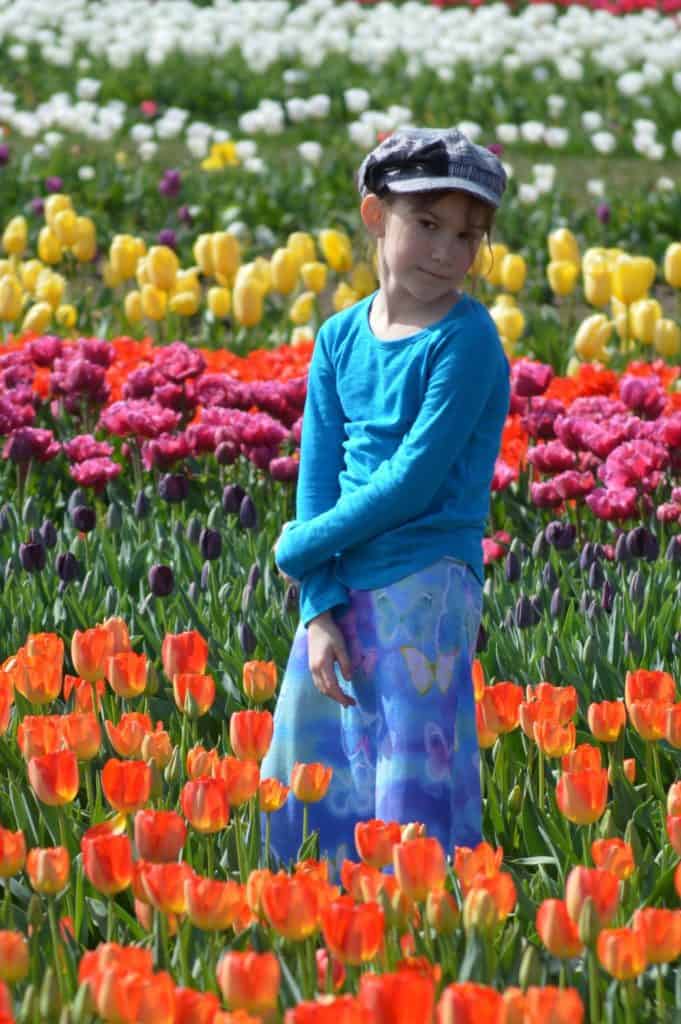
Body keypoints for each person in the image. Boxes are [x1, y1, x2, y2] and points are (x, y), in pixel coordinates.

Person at [262, 127, 511, 872]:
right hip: (340, 580)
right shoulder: (340, 338)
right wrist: (317, 603)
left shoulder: (464, 343)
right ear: (376, 217)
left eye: (465, 235)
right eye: (425, 225)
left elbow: (413, 480)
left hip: (425, 580)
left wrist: (296, 549)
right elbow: (318, 473)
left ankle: (412, 928)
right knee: (319, 752)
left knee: (409, 759)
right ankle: (320, 919)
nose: (445, 250)